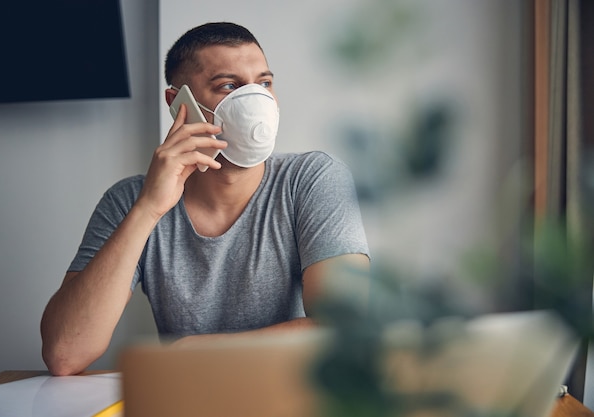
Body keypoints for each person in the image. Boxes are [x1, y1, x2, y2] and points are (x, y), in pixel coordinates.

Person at [40, 22, 370, 376]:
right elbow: (65, 353)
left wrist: (195, 350)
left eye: (264, 83)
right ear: (178, 102)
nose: (257, 100)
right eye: (229, 86)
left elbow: (345, 329)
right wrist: (149, 209)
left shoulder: (312, 179)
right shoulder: (129, 200)